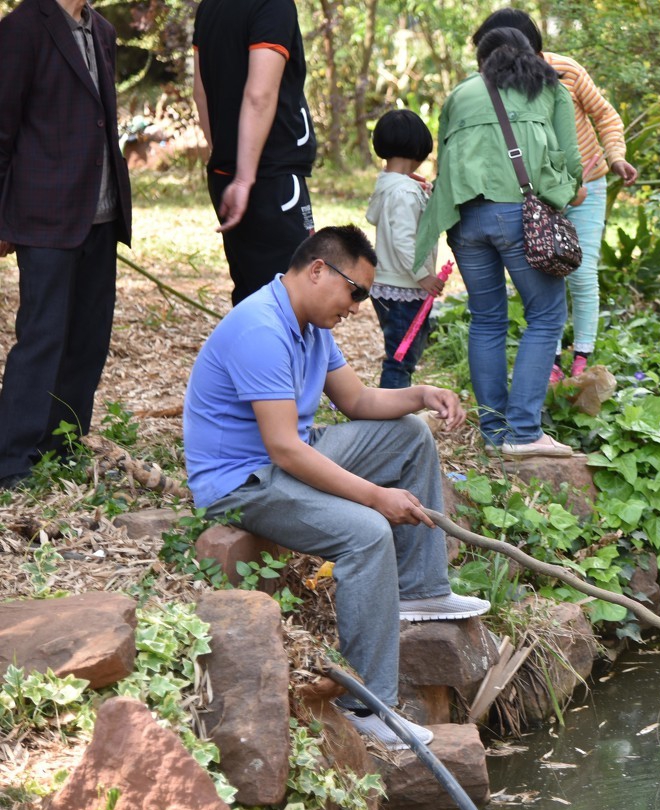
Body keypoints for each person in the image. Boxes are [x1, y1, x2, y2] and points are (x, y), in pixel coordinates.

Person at [183, 225, 489, 747]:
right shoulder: (261, 327)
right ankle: (367, 706)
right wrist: (375, 497)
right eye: (357, 292)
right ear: (318, 269)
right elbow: (283, 448)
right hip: (243, 480)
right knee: (367, 532)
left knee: (410, 435)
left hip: (289, 453)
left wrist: (421, 393)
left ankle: (419, 590)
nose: (358, 306)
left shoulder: (312, 324)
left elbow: (359, 402)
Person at [415, 26, 583, 457]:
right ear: (530, 52)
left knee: (486, 318)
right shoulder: (550, 88)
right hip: (517, 215)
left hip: (463, 220)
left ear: (482, 59)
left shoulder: (458, 94)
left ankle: (494, 433)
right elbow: (573, 165)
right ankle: (524, 433)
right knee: (545, 315)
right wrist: (560, 196)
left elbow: (447, 159)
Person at [0, 0, 133, 489]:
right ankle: (11, 458)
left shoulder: (102, 30)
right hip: (44, 215)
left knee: (89, 338)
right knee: (42, 337)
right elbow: (2, 128)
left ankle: (63, 445)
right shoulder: (19, 29)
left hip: (101, 213)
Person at [472, 9, 638, 383]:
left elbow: (607, 117)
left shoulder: (568, 72)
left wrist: (616, 157)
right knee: (541, 271)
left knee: (581, 272)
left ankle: (582, 355)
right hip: (535, 194)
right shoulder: (491, 85)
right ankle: (547, 358)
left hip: (588, 184)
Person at [192, 0, 316, 305]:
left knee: (250, 295)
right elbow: (260, 93)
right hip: (269, 177)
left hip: (227, 173)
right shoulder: (274, 5)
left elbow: (200, 92)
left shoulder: (209, 7)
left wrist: (226, 159)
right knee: (290, 297)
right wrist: (245, 178)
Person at [366, 110, 443, 389]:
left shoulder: (388, 185)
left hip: (388, 286)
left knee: (401, 351)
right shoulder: (405, 192)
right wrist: (422, 274)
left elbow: (377, 217)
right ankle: (391, 418)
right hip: (403, 288)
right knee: (401, 358)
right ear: (418, 151)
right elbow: (403, 240)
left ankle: (395, 410)